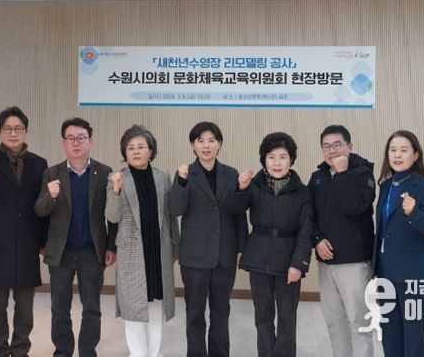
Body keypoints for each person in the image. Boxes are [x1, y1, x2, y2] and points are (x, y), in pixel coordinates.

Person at [34, 117, 118, 356]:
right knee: (60, 308)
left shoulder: (104, 172)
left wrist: (111, 246)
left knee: (91, 307)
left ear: (91, 141)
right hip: (61, 253)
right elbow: (39, 210)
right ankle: (63, 350)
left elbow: (113, 214)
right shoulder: (52, 173)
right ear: (64, 143)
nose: (76, 143)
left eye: (81, 138)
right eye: (70, 138)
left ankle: (87, 351)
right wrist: (51, 196)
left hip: (92, 251)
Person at [227, 132, 313, 357]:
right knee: (262, 317)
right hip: (258, 258)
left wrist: (298, 264)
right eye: (271, 157)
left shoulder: (302, 191)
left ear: (291, 160)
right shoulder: (254, 185)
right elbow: (235, 210)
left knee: (287, 319)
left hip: (288, 261)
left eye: (283, 157)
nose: (277, 162)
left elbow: (306, 230)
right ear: (264, 160)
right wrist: (241, 188)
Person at [0, 106, 47, 357]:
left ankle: (21, 350)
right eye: (7, 129)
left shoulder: (39, 164)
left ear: (26, 131)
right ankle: (0, 351)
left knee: (25, 308)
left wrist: (43, 240)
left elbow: (43, 206)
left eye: (18, 128)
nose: (13, 133)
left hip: (27, 245)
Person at [169, 121, 248, 357]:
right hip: (194, 257)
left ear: (219, 144)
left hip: (225, 254)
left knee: (221, 313)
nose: (206, 145)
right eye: (200, 140)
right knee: (194, 313)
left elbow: (238, 213)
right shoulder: (185, 174)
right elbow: (176, 209)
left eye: (212, 140)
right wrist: (181, 181)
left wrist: (241, 247)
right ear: (193, 145)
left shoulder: (231, 174)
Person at [105, 125, 179, 357]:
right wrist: (116, 189)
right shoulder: (116, 177)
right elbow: (112, 216)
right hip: (132, 252)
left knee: (156, 304)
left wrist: (175, 247)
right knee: (134, 307)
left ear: (151, 150)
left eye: (140, 147)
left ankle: (154, 353)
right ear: (125, 153)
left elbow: (170, 216)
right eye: (130, 148)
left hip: (158, 249)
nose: (136, 151)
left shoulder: (162, 176)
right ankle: (137, 354)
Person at [371, 130, 424, 357]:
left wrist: (413, 213)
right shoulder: (386, 185)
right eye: (393, 150)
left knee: (413, 331)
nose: (397, 155)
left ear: (416, 154)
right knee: (389, 330)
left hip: (413, 273)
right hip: (386, 271)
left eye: (403, 150)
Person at [308, 125, 375, 357]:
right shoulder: (318, 177)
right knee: (334, 320)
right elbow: (308, 214)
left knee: (358, 320)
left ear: (350, 146)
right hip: (326, 261)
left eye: (337, 145)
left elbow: (355, 206)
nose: (332, 150)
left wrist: (343, 173)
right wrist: (317, 240)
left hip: (354, 262)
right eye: (326, 146)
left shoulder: (363, 173)